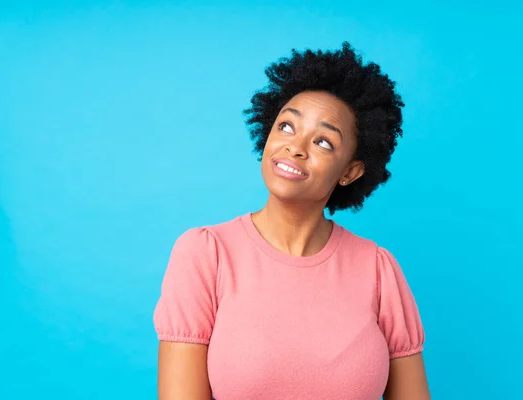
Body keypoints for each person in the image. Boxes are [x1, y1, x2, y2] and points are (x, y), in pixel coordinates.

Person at [153, 42, 430, 400]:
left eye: (324, 142)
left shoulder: (378, 269)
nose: (295, 147)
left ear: (350, 171)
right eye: (286, 125)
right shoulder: (206, 254)